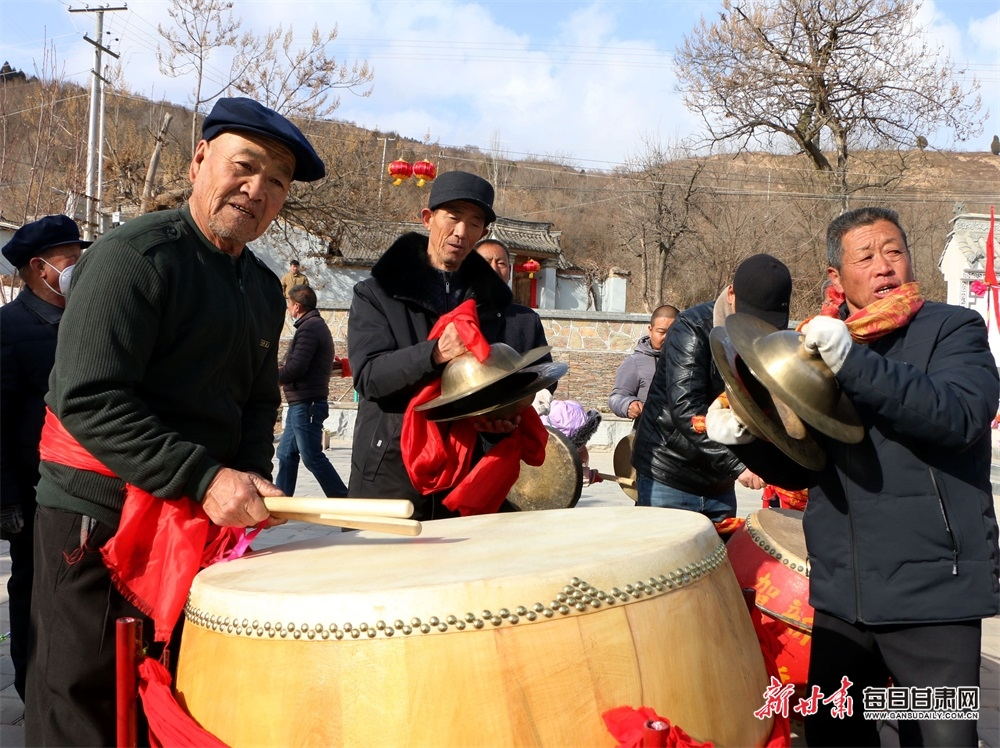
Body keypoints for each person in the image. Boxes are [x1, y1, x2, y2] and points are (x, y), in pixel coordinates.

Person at [25, 96, 325, 746]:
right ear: (199, 161)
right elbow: (88, 398)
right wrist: (207, 477)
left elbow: (254, 403)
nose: (257, 190)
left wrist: (248, 474)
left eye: (276, 182)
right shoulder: (134, 258)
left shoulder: (260, 287)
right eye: (244, 167)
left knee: (170, 690)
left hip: (193, 515)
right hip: (96, 518)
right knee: (82, 701)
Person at [707, 207, 999, 746]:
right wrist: (751, 438)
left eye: (894, 251)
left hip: (931, 594)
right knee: (836, 736)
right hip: (845, 595)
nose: (884, 266)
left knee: (938, 739)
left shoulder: (952, 328)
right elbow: (808, 465)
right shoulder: (816, 351)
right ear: (837, 279)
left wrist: (854, 365)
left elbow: (958, 416)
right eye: (865, 257)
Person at [349, 171, 525, 520]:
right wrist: (435, 353)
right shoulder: (376, 294)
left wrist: (497, 419)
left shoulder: (493, 306)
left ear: (483, 233)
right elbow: (369, 376)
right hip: (390, 469)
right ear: (428, 218)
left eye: (474, 224)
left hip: (465, 472)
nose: (462, 233)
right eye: (453, 217)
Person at [631, 253, 791, 522]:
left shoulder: (768, 338)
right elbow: (687, 411)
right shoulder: (692, 329)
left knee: (719, 562)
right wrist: (739, 467)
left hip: (719, 482)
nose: (758, 328)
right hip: (670, 473)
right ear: (731, 294)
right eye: (751, 316)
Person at [0, 214, 87, 701]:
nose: (80, 270)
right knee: (33, 590)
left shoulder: (88, 320)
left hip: (89, 487)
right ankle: (31, 687)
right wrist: (7, 498)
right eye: (71, 262)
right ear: (39, 268)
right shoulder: (8, 330)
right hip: (35, 491)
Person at [275, 284, 348, 498]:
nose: (288, 309)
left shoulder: (309, 328)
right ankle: (283, 503)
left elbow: (297, 367)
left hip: (307, 402)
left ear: (297, 306)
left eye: (289, 304)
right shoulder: (312, 326)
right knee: (286, 453)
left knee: (311, 456)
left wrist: (270, 377)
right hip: (302, 401)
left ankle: (343, 499)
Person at [475, 237, 551, 358]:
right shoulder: (457, 316)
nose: (494, 269)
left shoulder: (528, 319)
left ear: (510, 272)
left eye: (501, 263)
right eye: (485, 262)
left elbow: (544, 370)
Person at [608, 304, 679, 420]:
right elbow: (616, 398)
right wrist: (627, 404)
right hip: (650, 434)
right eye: (661, 332)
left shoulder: (691, 360)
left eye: (674, 332)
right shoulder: (635, 362)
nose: (668, 337)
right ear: (650, 330)